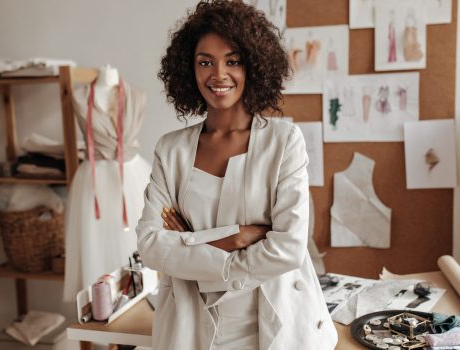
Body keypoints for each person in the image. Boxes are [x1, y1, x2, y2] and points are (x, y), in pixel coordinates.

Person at [136, 1, 337, 349]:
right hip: (191, 325)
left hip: (271, 325)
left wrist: (196, 249)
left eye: (233, 61)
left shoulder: (283, 142)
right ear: (189, 69)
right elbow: (150, 246)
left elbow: (288, 249)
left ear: (254, 66)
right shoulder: (171, 150)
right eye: (205, 62)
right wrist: (236, 238)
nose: (218, 75)